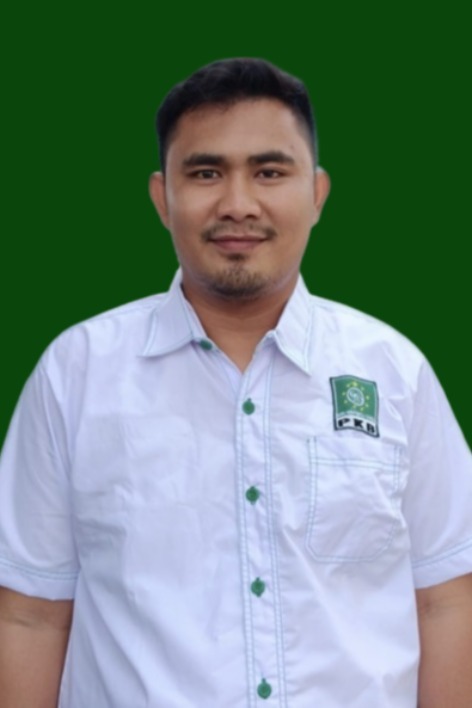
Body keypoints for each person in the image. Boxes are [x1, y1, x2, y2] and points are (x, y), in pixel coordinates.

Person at [0, 58, 471, 708]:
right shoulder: (76, 373)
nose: (238, 204)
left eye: (270, 172)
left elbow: (446, 596)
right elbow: (29, 612)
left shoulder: (394, 372)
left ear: (317, 193)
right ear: (162, 198)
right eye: (206, 173)